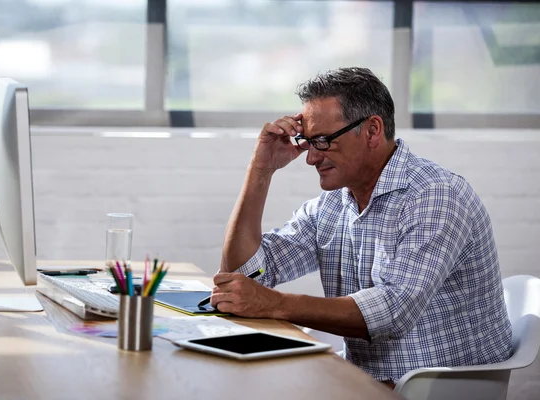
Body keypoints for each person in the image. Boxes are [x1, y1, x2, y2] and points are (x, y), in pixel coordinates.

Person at [210, 67, 512, 385]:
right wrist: (261, 169)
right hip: (365, 379)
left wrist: (276, 304)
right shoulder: (333, 204)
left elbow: (393, 310)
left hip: (434, 387)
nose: (311, 158)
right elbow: (244, 274)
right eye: (308, 142)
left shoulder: (437, 196)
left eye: (323, 141)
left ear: (371, 131)